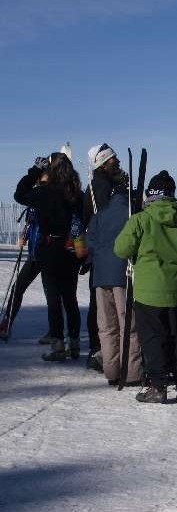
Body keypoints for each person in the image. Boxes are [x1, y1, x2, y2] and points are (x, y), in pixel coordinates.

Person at [114, 171, 177, 403]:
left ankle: (158, 386)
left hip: (148, 292)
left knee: (153, 339)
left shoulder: (140, 220)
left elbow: (121, 249)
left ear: (150, 194)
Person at [14, 153, 84, 361]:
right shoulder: (75, 193)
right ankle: (74, 342)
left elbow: (19, 194)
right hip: (71, 248)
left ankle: (58, 343)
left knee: (53, 298)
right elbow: (82, 220)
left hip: (50, 247)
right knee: (70, 298)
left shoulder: (44, 191)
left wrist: (35, 170)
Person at [86, 184, 143, 386]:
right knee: (129, 325)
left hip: (101, 276)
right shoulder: (133, 214)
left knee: (106, 326)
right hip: (124, 274)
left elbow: (90, 243)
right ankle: (131, 373)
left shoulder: (100, 214)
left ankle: (111, 371)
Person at [84, 143, 126, 371]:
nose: (116, 161)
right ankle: (102, 352)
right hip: (109, 255)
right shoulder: (101, 187)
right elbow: (105, 222)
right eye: (112, 159)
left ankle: (106, 354)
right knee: (108, 311)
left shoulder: (106, 184)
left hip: (102, 255)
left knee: (104, 309)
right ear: (102, 163)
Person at [0, 209, 49, 342]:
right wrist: (23, 237)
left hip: (49, 256)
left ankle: (56, 331)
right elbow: (29, 227)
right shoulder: (32, 208)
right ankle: (6, 323)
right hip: (34, 256)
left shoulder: (51, 203)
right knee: (17, 287)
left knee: (52, 295)